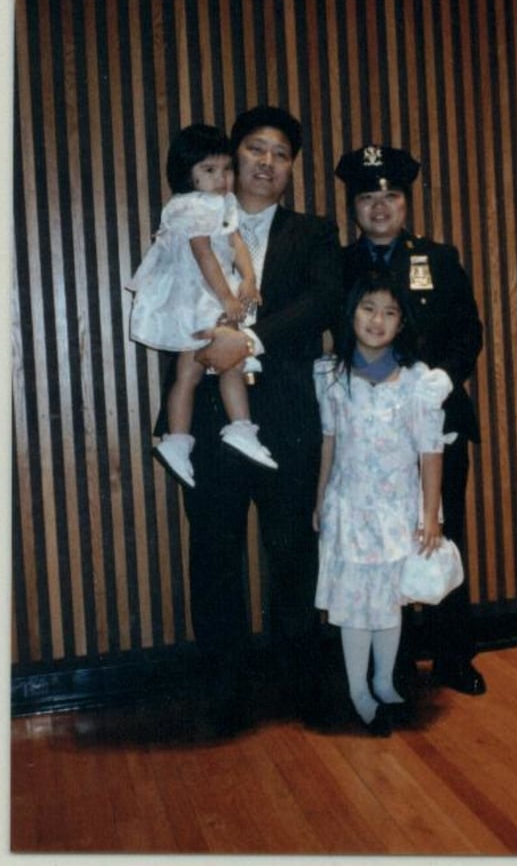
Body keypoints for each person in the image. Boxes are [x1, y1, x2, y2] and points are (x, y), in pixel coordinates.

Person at [173, 106, 343, 733]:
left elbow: (325, 301)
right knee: (215, 553)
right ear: (233, 156)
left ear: (292, 167)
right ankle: (223, 694)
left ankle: (303, 685)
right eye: (254, 149)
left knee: (292, 551)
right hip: (214, 418)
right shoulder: (193, 219)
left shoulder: (315, 232)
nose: (267, 162)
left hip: (288, 417)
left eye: (280, 153)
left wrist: (245, 342)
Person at [336, 143, 487, 696]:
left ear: (406, 202)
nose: (380, 206)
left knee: (440, 536)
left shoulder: (438, 259)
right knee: (376, 547)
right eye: (368, 197)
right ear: (353, 205)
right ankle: (392, 666)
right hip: (369, 438)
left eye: (391, 195)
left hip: (434, 426)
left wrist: (447, 375)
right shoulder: (341, 263)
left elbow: (468, 330)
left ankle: (452, 658)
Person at [313, 270, 453, 736]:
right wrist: (320, 502)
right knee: (355, 603)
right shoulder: (330, 376)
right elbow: (329, 444)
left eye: (390, 312)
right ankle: (357, 689)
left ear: (401, 323)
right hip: (349, 508)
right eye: (368, 308)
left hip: (397, 509)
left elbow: (430, 451)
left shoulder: (418, 382)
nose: (377, 320)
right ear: (351, 313)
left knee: (389, 601)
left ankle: (383, 679)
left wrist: (429, 515)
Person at [127, 123, 276, 487]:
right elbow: (203, 252)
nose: (222, 178)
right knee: (212, 367)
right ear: (188, 175)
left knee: (202, 369)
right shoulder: (188, 206)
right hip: (194, 298)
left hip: (209, 297)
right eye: (209, 171)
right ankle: (226, 430)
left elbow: (236, 243)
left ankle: (196, 437)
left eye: (225, 169)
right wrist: (227, 295)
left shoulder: (223, 204)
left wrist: (250, 280)